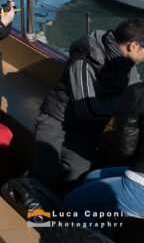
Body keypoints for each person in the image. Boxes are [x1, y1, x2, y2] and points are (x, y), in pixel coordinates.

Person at [31, 19, 144, 192]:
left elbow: (135, 94)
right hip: (58, 119)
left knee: (78, 176)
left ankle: (63, 210)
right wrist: (121, 109)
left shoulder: (128, 66)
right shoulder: (86, 56)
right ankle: (37, 214)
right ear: (134, 46)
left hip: (87, 130)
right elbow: (87, 108)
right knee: (44, 171)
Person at [64, 81, 144, 218]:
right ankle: (100, 233)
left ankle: (85, 238)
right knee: (91, 177)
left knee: (75, 201)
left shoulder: (138, 92)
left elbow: (126, 150)